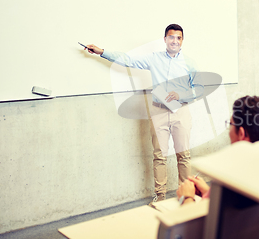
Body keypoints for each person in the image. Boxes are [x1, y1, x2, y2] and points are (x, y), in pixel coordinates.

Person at [85, 24, 203, 202]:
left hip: (181, 112)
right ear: (165, 39)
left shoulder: (190, 63)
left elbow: (199, 89)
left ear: (182, 41)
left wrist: (181, 94)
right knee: (159, 155)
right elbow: (128, 60)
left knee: (183, 155)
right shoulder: (154, 59)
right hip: (158, 111)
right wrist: (102, 51)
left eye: (178, 38)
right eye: (171, 37)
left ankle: (186, 196)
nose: (175, 41)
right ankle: (160, 197)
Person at [176, 95, 259, 205]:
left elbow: (201, 221)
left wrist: (186, 197)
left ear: (241, 134)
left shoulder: (231, 176)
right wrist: (208, 192)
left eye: (231, 124)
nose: (229, 130)